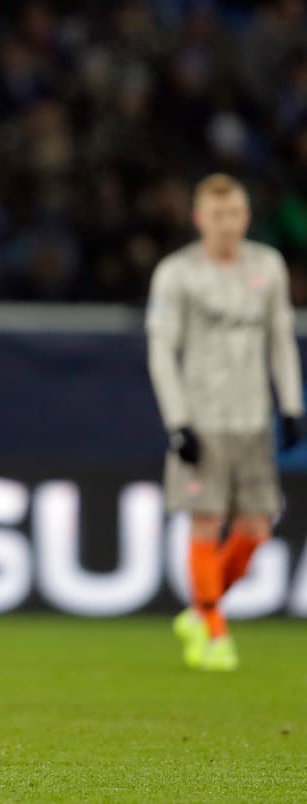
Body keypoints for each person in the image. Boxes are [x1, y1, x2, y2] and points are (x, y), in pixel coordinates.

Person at [147, 173, 303, 672]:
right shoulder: (177, 273)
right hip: (203, 418)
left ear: (247, 216)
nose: (227, 224)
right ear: (199, 219)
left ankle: (199, 608)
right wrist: (177, 421)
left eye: (235, 213)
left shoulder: (267, 266)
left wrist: (293, 404)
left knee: (256, 528)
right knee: (206, 520)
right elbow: (161, 350)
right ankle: (214, 631)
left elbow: (281, 338)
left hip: (253, 418)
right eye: (217, 215)